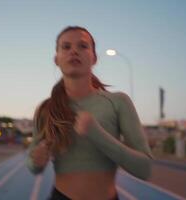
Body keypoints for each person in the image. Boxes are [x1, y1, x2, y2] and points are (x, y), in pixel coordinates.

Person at [26, 26, 153, 200]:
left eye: (82, 46)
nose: (74, 52)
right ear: (56, 59)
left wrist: (96, 134)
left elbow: (144, 169)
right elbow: (33, 165)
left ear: (94, 58)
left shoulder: (118, 102)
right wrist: (36, 160)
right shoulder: (46, 109)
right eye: (66, 47)